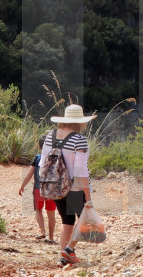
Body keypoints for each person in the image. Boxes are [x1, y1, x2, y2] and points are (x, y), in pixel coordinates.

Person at [41, 104, 96, 265]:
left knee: (67, 220)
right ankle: (69, 250)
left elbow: (42, 164)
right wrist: (87, 194)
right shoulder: (79, 140)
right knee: (86, 219)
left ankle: (63, 258)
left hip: (55, 185)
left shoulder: (50, 136)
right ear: (79, 122)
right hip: (76, 186)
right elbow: (80, 170)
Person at [18, 137, 57, 242]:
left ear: (39, 146)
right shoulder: (56, 159)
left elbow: (29, 174)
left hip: (38, 189)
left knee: (38, 210)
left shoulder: (37, 158)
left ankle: (43, 232)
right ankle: (51, 237)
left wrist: (22, 186)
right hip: (51, 190)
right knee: (51, 213)